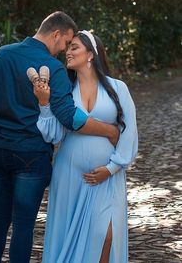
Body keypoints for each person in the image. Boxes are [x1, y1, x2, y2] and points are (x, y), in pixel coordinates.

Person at [0, 12, 120, 263]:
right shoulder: (53, 67)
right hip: (31, 154)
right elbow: (68, 117)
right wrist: (108, 130)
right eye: (66, 43)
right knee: (23, 224)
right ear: (57, 34)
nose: (64, 51)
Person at [34, 30, 138, 263]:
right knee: (67, 236)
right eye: (68, 47)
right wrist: (44, 103)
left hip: (107, 177)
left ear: (91, 54)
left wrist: (111, 168)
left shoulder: (117, 88)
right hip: (70, 176)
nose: (68, 52)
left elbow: (129, 133)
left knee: (106, 236)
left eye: (75, 47)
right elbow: (54, 135)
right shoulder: (65, 91)